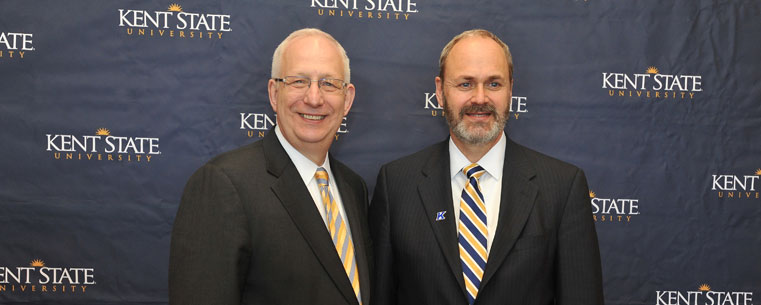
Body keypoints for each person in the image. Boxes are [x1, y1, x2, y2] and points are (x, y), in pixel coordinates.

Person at [369, 29, 604, 305]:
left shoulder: (563, 187)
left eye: (494, 84)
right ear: (440, 91)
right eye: (465, 84)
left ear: (511, 90)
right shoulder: (396, 184)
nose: (480, 99)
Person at [169, 28, 371, 305]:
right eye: (299, 81)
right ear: (274, 93)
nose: (314, 98)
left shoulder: (354, 188)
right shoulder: (224, 185)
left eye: (328, 84)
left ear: (347, 99)